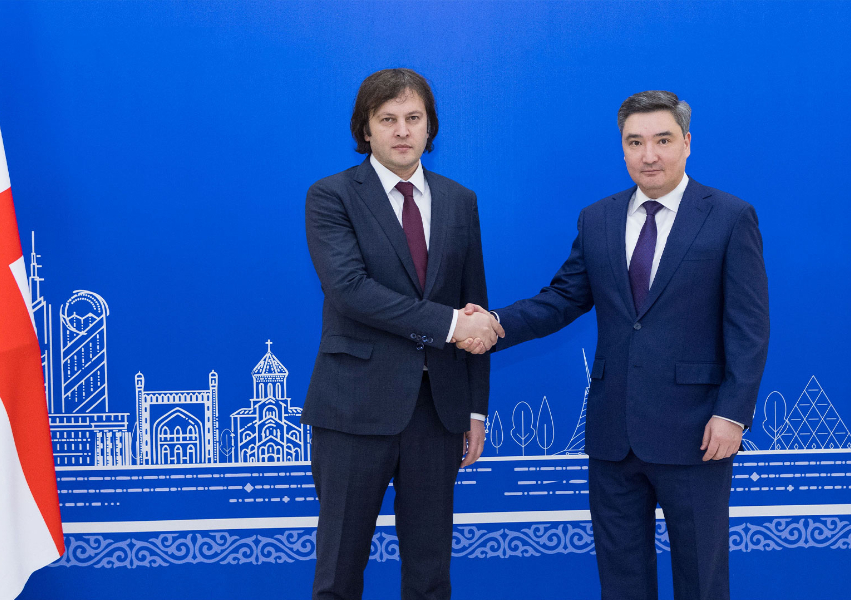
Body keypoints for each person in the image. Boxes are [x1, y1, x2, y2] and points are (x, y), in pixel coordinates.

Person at [461, 90, 769, 600]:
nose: (649, 155)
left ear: (687, 143)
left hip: (698, 431)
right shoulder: (597, 218)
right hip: (613, 434)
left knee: (702, 579)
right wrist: (494, 323)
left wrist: (732, 414)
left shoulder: (730, 216)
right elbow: (562, 299)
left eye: (663, 140)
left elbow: (749, 327)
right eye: (635, 142)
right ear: (622, 148)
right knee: (621, 581)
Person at [302, 68, 504, 600]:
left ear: (429, 127)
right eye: (387, 118)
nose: (401, 130)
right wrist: (452, 325)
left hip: (437, 412)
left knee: (430, 575)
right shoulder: (332, 196)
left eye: (413, 118)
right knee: (338, 573)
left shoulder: (460, 200)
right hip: (352, 410)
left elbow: (474, 301)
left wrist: (475, 409)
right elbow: (350, 290)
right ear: (365, 129)